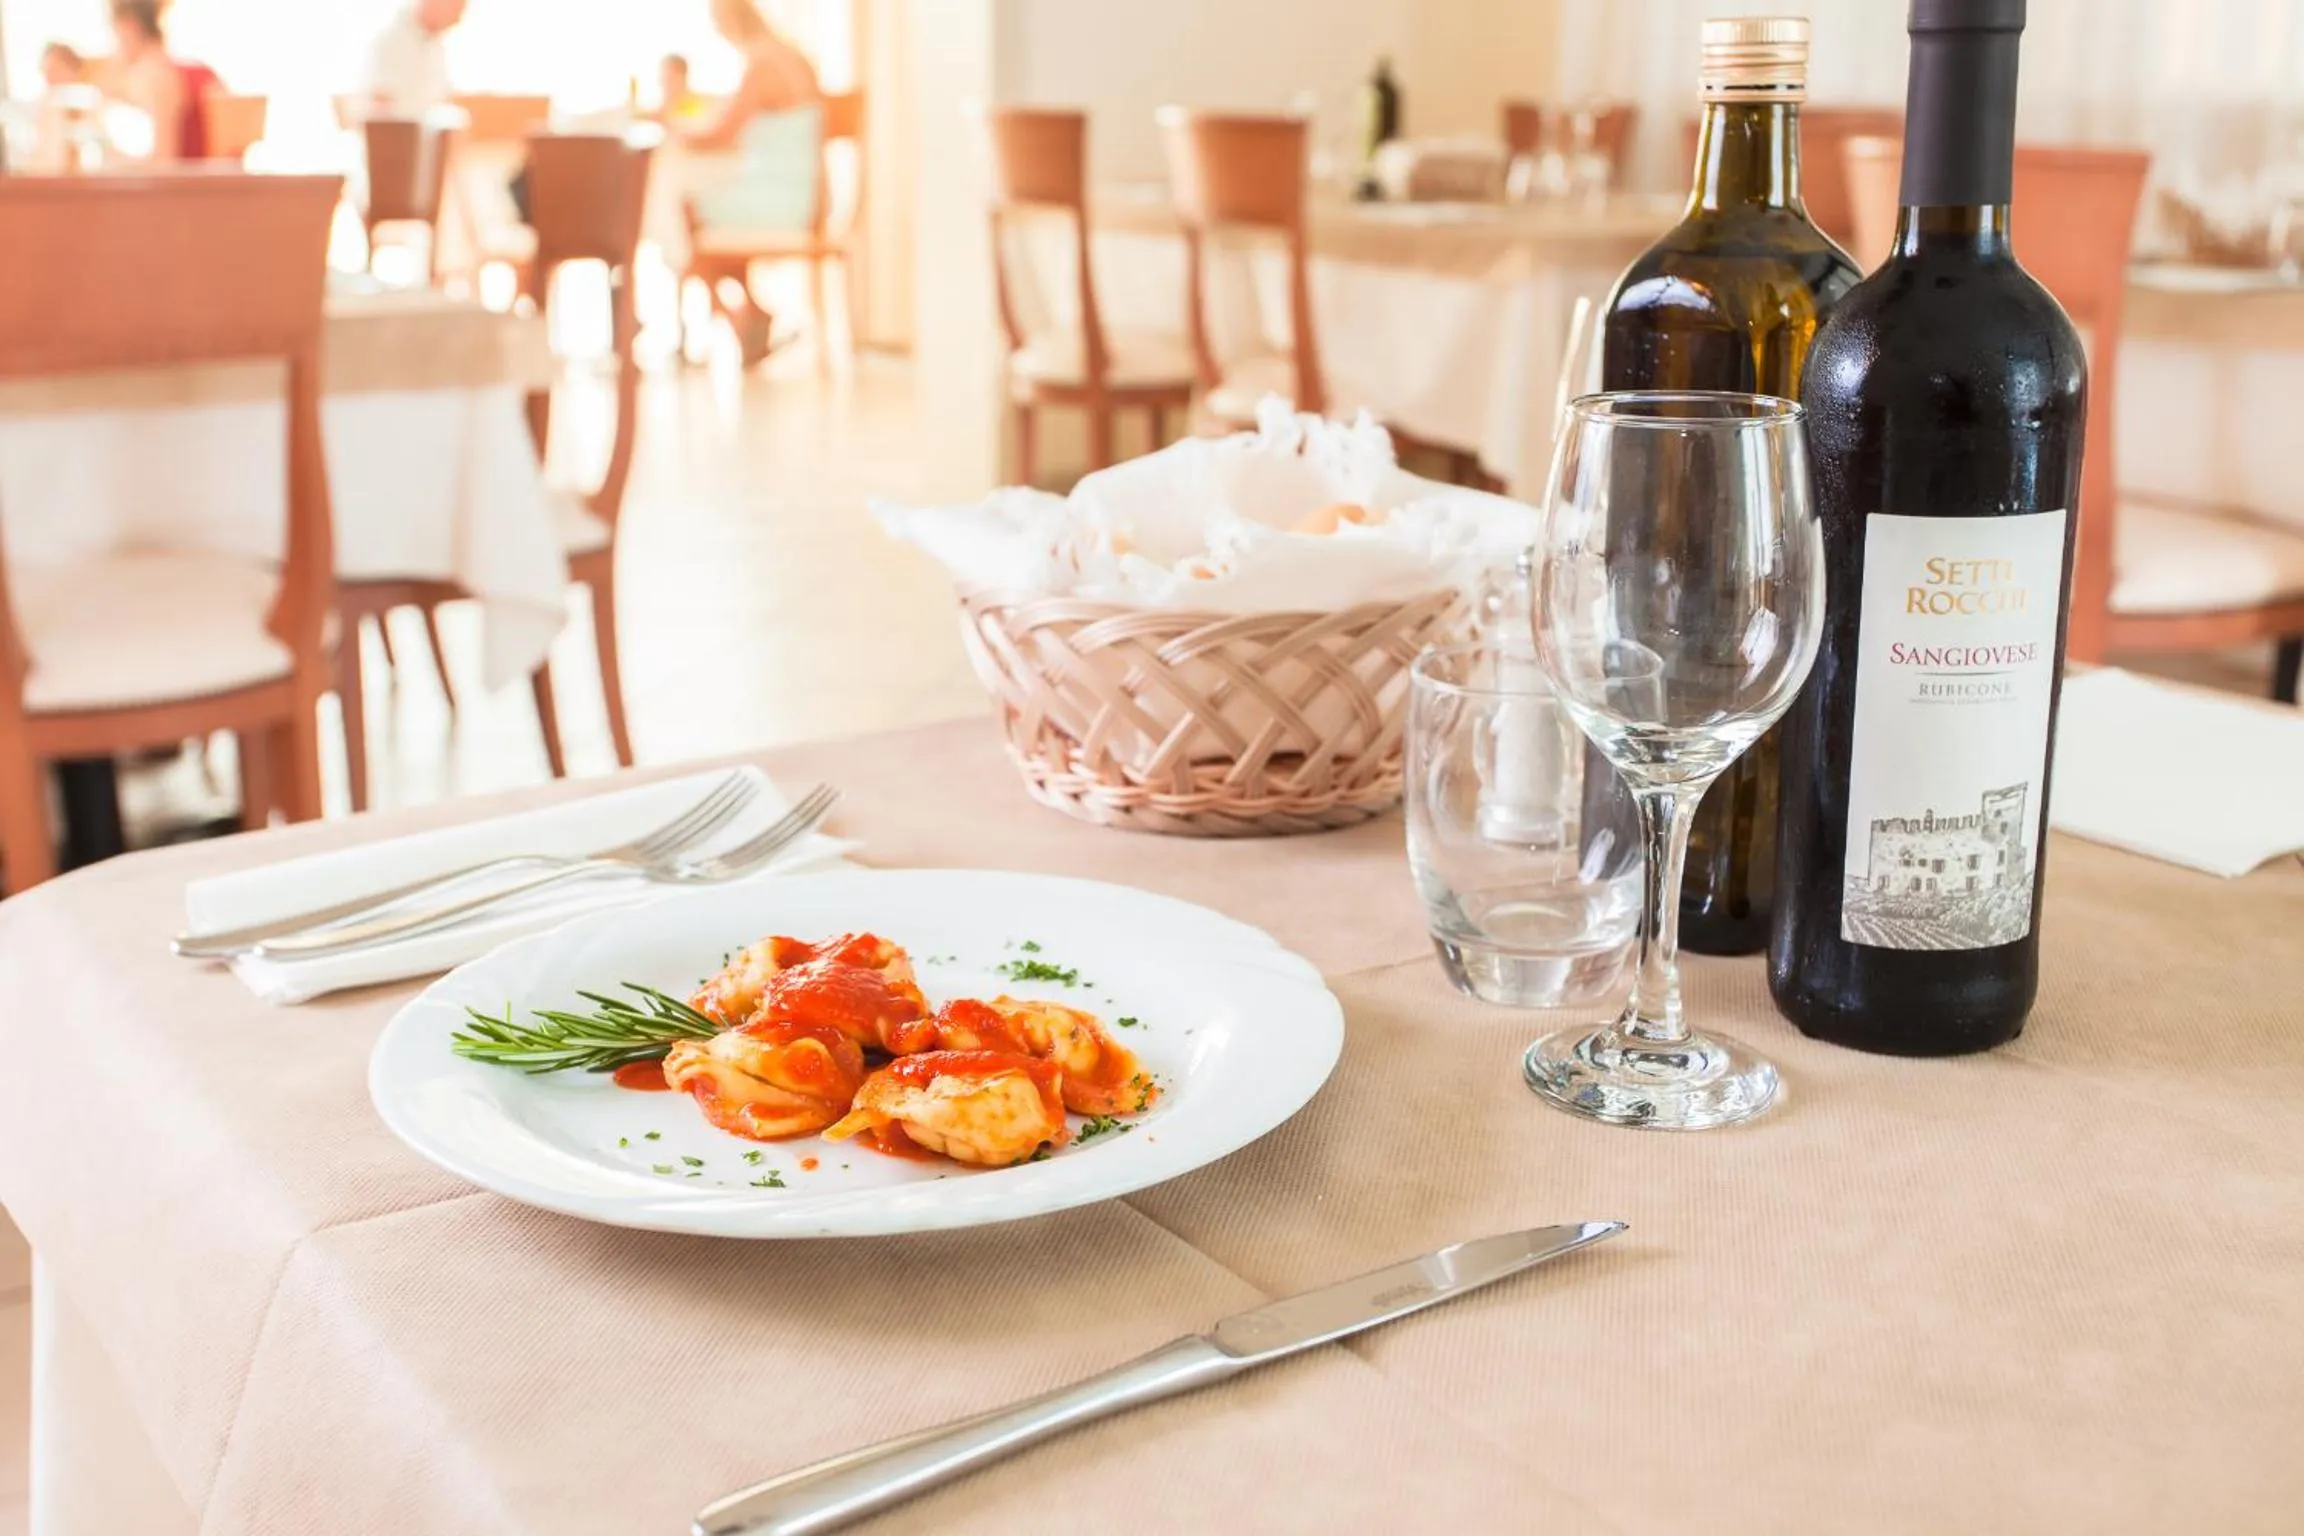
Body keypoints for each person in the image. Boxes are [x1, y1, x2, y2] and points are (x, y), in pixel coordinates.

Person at [670, 0, 825, 363]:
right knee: (697, 228)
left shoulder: (762, 65)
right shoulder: (794, 57)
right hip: (803, 192)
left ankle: (740, 317)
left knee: (681, 220)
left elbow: (721, 133)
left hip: (779, 198)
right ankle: (751, 314)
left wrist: (673, 127)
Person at [108, 0, 213, 162]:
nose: (115, 47)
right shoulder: (161, 71)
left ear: (130, 27)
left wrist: (115, 162)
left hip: (182, 183)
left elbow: (164, 159)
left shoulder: (158, 75)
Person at [362, 0, 466, 120]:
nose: (458, 20)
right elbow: (380, 108)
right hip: (397, 134)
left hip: (423, 132)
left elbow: (441, 98)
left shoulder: (434, 45)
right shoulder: (391, 40)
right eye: (456, 10)